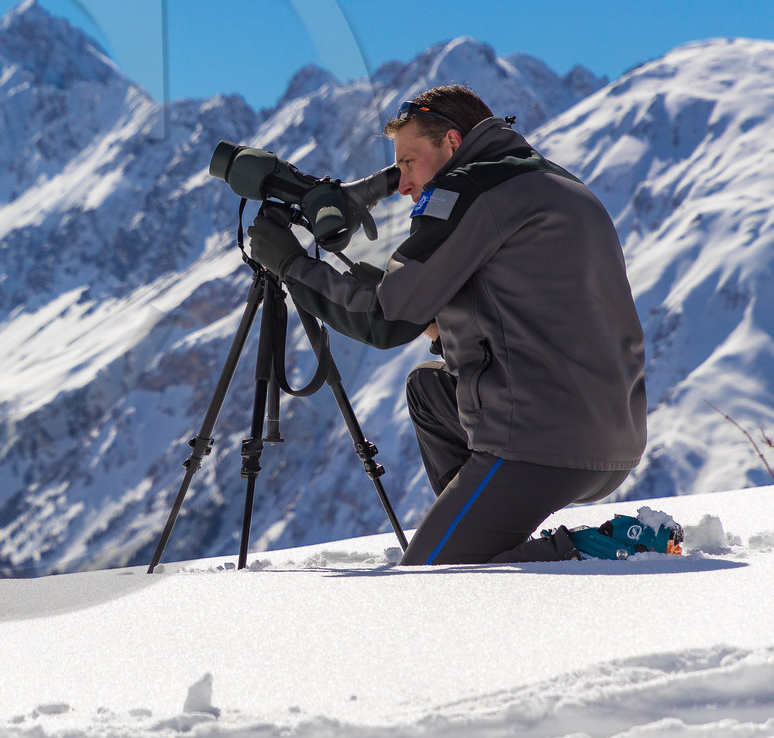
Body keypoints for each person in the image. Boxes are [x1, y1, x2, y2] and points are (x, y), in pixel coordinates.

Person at [244, 84, 666, 563]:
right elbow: (511, 321)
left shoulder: (469, 191)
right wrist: (386, 290)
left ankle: (599, 549)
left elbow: (385, 323)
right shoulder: (552, 182)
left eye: (407, 162)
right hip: (609, 433)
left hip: (540, 443)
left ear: (451, 142)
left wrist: (293, 267)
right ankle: (481, 522)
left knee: (438, 573)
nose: (401, 184)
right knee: (429, 389)